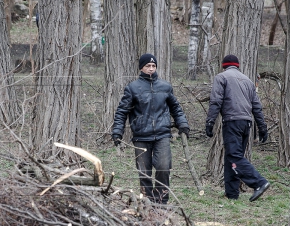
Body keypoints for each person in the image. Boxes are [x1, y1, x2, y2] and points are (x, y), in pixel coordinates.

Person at [112, 53, 190, 204]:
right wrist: (117, 131)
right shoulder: (132, 88)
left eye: (153, 66)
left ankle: (161, 202)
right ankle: (148, 202)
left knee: (163, 167)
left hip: (162, 135)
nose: (151, 69)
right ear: (141, 67)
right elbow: (122, 112)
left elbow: (176, 108)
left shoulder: (165, 87)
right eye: (148, 66)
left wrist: (183, 124)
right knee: (144, 172)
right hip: (141, 136)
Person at [205, 55, 270, 201]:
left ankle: (259, 182)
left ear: (224, 65)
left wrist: (210, 122)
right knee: (232, 157)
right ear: (237, 65)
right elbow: (257, 107)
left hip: (232, 122)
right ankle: (232, 193)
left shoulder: (221, 77)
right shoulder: (247, 80)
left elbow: (215, 101)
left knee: (234, 156)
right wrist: (262, 127)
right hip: (247, 123)